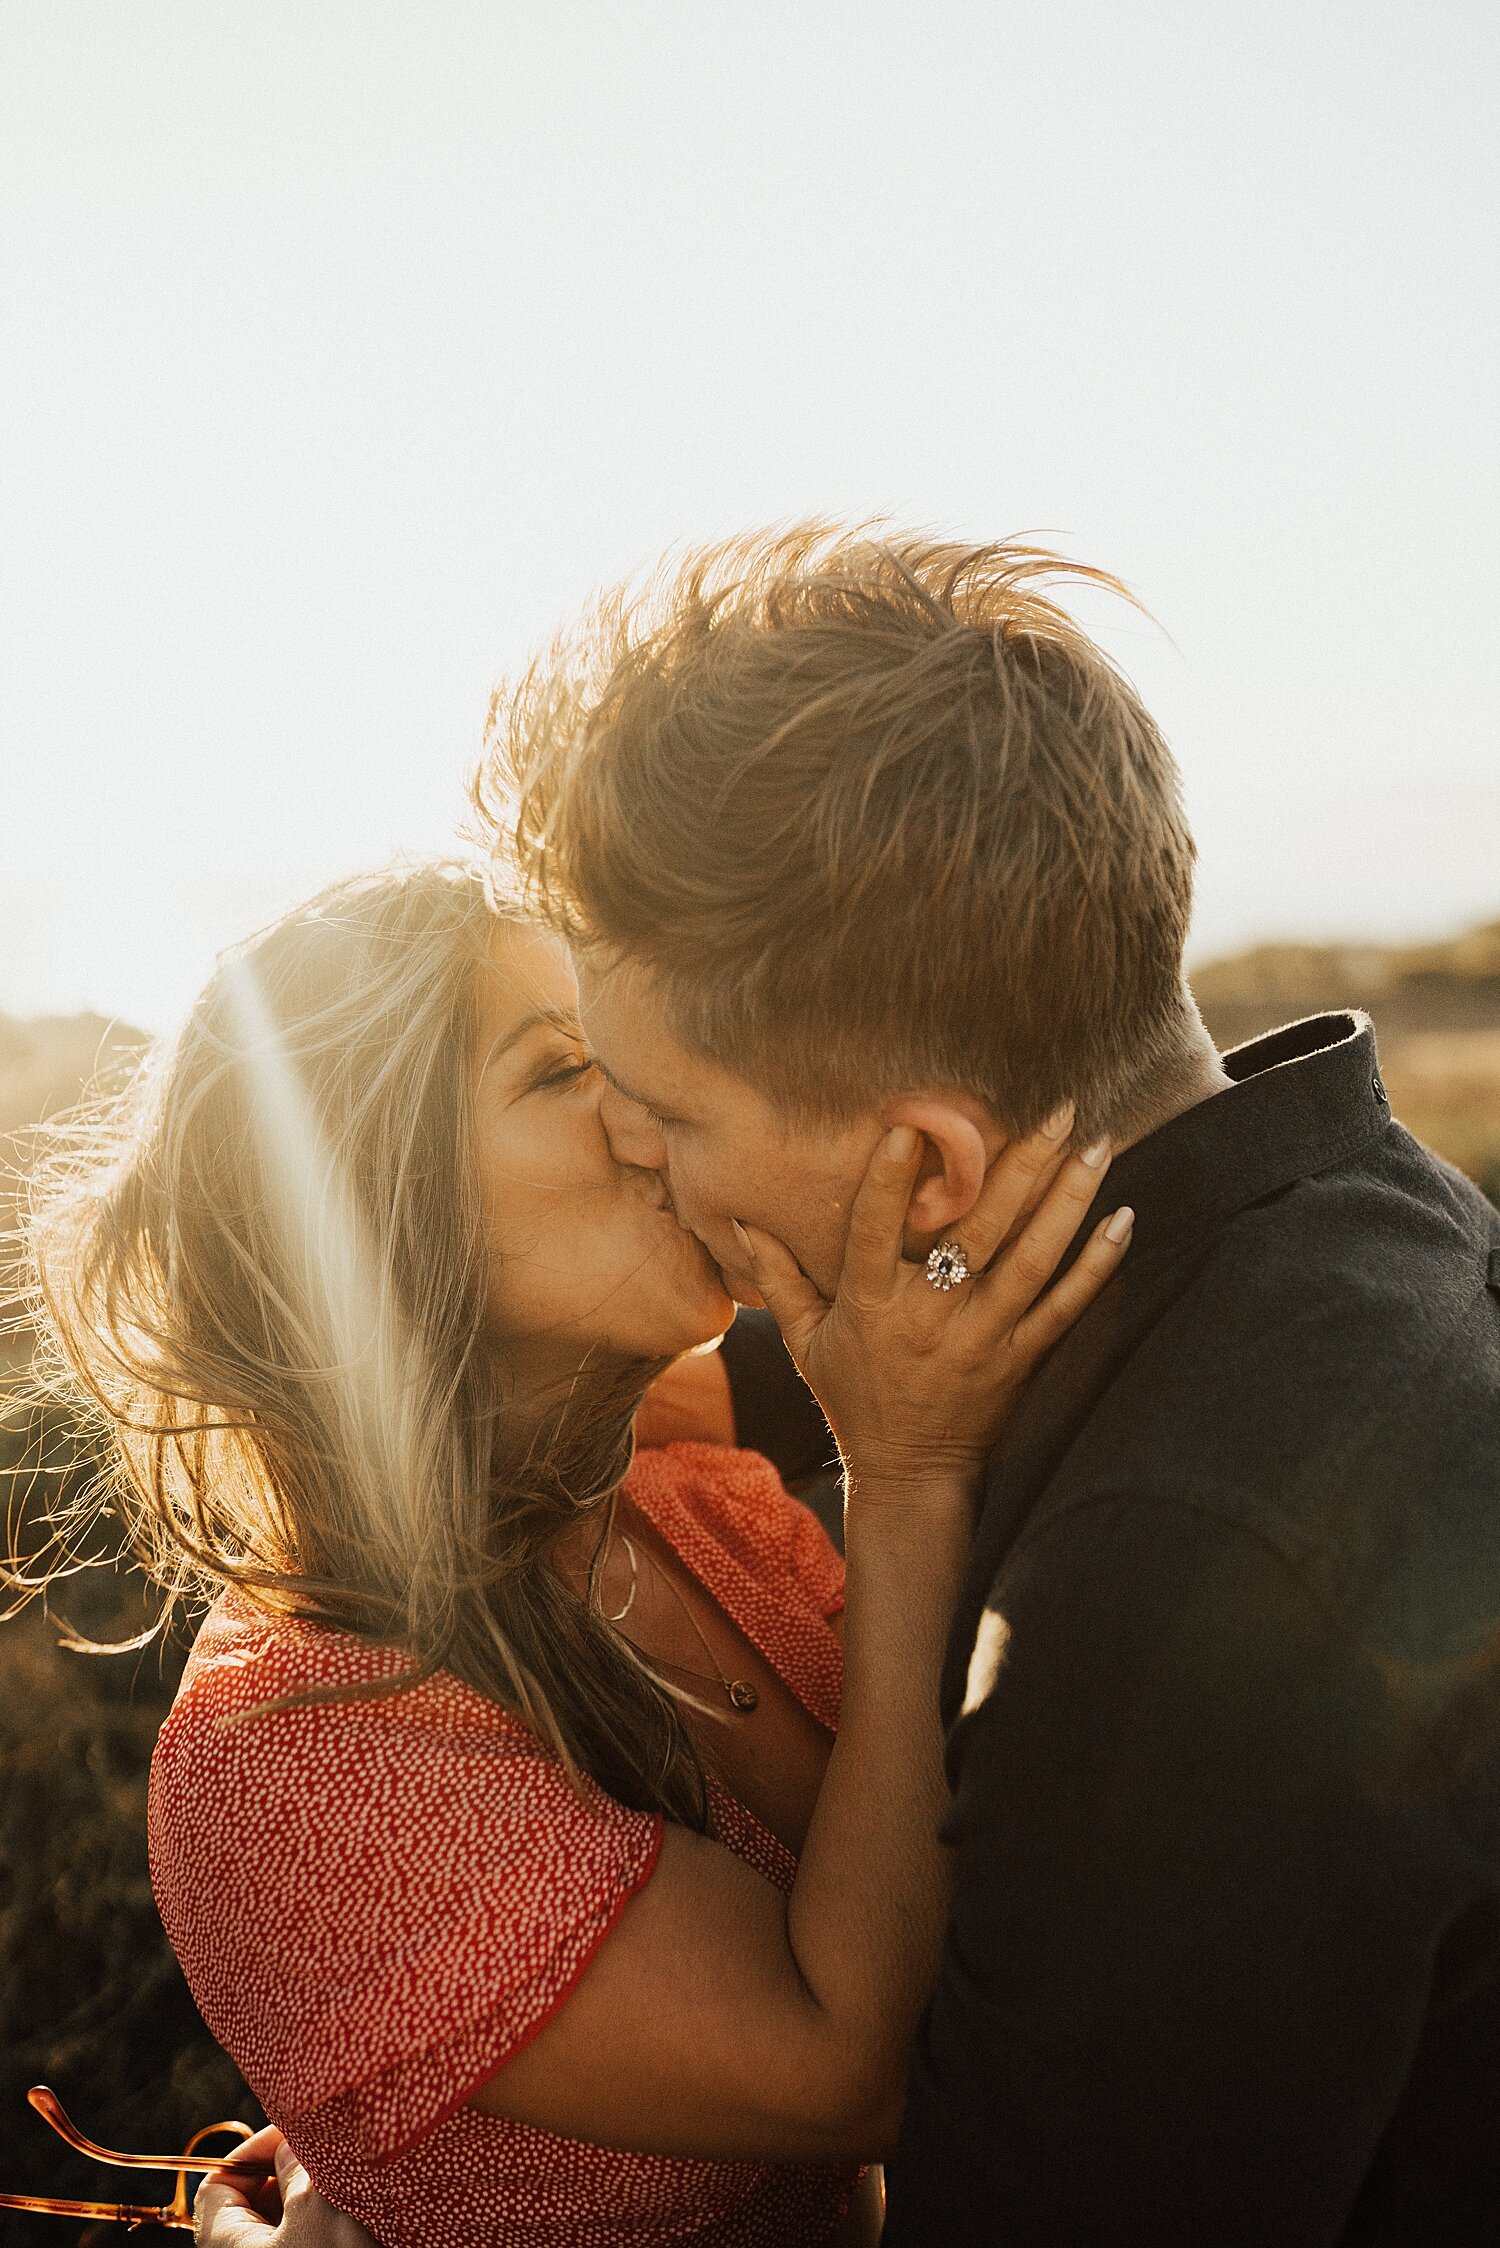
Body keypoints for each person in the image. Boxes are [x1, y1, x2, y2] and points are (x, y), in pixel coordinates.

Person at [468, 525, 1499, 2244]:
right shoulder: (1353, 1208)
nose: (628, 1145)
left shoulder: (1169, 1606)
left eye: (669, 1106)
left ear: (930, 1172)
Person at [25, 861, 1127, 2248]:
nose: (655, 1112)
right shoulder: (291, 1759)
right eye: (563, 1070)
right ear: (373, 1196)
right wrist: (906, 1479)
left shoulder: (691, 1504)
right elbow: (852, 2065)